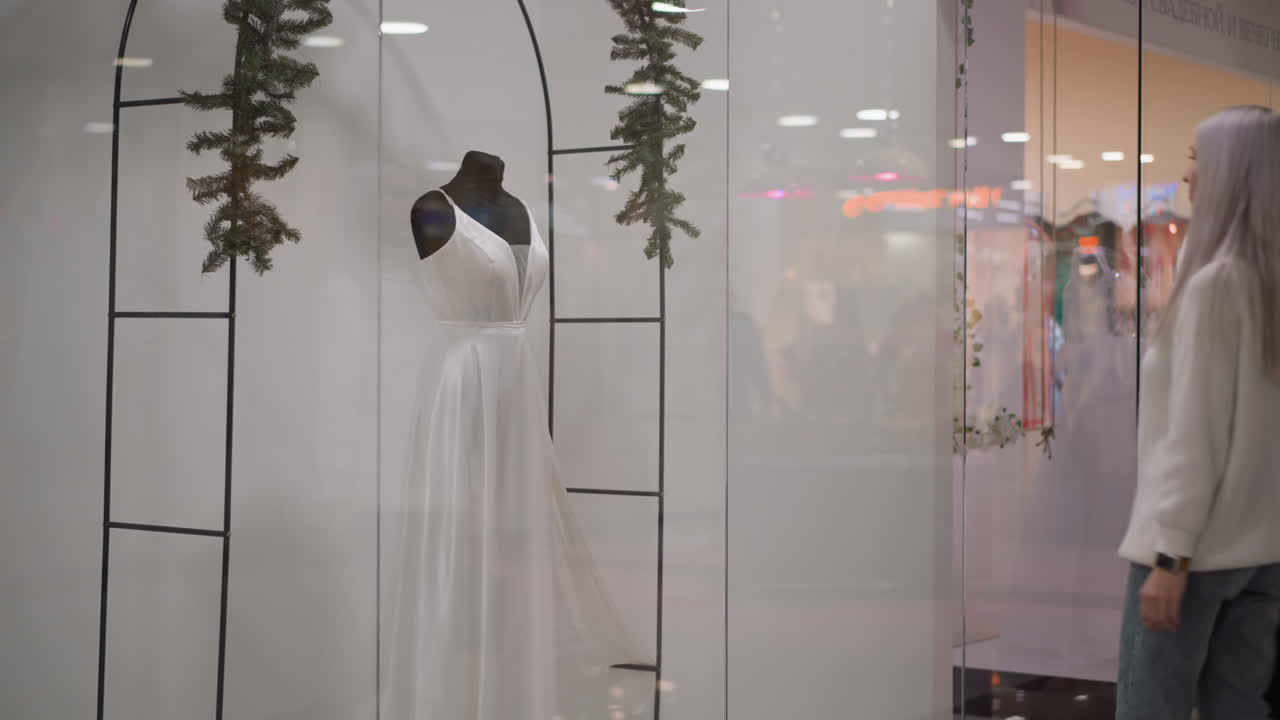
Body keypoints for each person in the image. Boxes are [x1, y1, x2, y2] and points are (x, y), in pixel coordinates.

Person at [1117, 105, 1280, 720]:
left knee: (1149, 708)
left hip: (1191, 556)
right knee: (1237, 708)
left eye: (1196, 159)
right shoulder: (1266, 283)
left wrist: (1171, 558)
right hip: (1263, 553)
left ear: (1230, 171)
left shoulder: (1217, 283)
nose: (1187, 175)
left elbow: (1194, 436)